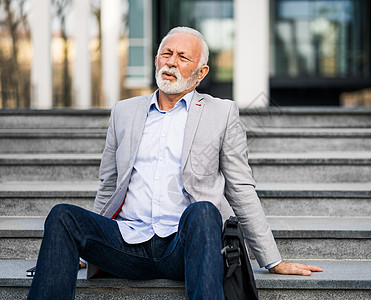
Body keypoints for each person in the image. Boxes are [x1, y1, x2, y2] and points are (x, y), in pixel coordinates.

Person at [28, 26, 322, 300]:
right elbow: (109, 185)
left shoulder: (221, 114)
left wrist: (272, 259)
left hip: (183, 246)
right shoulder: (124, 112)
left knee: (205, 211)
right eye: (166, 54)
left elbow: (241, 188)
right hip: (126, 243)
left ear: (200, 72)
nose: (171, 62)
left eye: (182, 57)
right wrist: (73, 253)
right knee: (63, 215)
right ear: (156, 60)